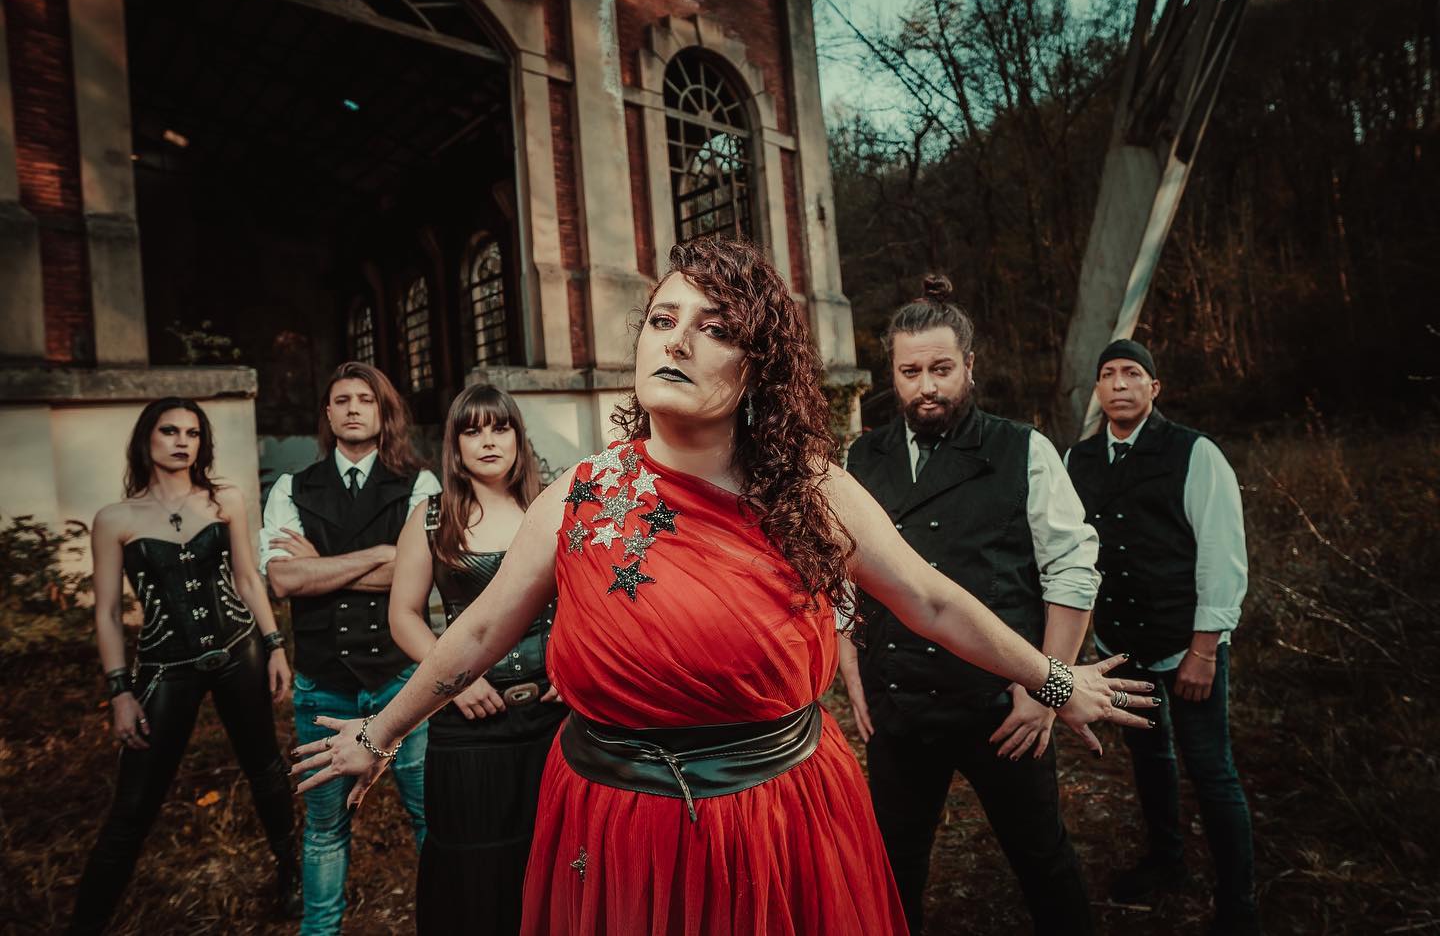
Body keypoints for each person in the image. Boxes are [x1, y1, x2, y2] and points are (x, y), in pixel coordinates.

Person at [292, 238, 1159, 935]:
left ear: (758, 367)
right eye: (663, 318)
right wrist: (381, 730)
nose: (675, 340)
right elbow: (479, 630)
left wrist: (1053, 679)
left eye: (714, 328)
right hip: (614, 821)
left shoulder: (810, 492)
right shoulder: (582, 494)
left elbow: (931, 600)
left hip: (773, 817)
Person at [838, 276, 1100, 935]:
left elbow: (1072, 570)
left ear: (970, 366)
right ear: (892, 374)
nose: (926, 386)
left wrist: (1046, 687)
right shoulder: (859, 458)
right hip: (900, 706)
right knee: (893, 868)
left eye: (941, 369)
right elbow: (839, 572)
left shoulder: (1023, 450)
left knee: (1043, 860)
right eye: (910, 372)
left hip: (1004, 706)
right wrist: (850, 669)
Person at [69, 397, 299, 934]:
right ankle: (86, 922)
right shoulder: (115, 519)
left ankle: (292, 876)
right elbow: (107, 613)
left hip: (237, 648)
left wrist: (274, 645)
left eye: (192, 433)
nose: (181, 442)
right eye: (169, 431)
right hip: (165, 665)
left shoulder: (225, 500)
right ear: (146, 439)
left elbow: (247, 579)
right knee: (134, 803)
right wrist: (120, 691)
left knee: (265, 768)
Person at [1064, 339, 1258, 936]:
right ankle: (1167, 861)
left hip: (1187, 644)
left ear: (1154, 388)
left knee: (1212, 770)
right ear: (1098, 390)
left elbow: (1223, 556)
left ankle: (1239, 904)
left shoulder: (1195, 453)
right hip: (1120, 644)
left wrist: (1204, 650)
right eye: (1108, 374)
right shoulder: (1077, 459)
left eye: (1132, 373)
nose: (1119, 383)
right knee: (1148, 758)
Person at [260, 362, 439, 936]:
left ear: (384, 412)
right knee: (324, 827)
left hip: (400, 680)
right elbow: (283, 580)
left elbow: (420, 577)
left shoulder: (421, 485)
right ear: (328, 414)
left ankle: (449, 918)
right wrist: (383, 556)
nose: (354, 408)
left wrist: (322, 566)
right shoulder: (292, 487)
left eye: (366, 398)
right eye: (342, 399)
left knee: (429, 816)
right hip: (322, 683)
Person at [388, 384, 567, 935]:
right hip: (468, 725)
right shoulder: (430, 517)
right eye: (473, 431)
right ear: (455, 445)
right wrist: (457, 682)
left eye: (500, 427)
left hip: (554, 719)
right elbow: (404, 616)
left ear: (518, 437)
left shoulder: (552, 508)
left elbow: (586, 603)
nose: (488, 441)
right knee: (474, 871)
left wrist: (572, 667)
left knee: (554, 862)